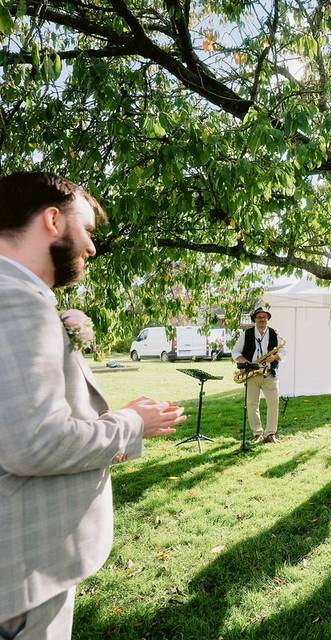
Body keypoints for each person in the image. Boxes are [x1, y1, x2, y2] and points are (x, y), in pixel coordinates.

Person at [0, 171, 187, 639]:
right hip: (24, 572)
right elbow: (36, 444)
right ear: (51, 219)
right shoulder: (17, 300)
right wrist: (130, 422)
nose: (91, 247)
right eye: (85, 229)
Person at [232, 307, 283, 444]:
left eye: (264, 317)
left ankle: (270, 433)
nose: (262, 319)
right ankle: (257, 433)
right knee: (252, 404)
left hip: (269, 373)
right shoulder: (246, 334)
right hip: (252, 373)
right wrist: (247, 362)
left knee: (274, 402)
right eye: (259, 317)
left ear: (267, 319)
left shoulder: (274, 333)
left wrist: (275, 357)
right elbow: (235, 353)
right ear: (254, 319)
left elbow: (284, 351)